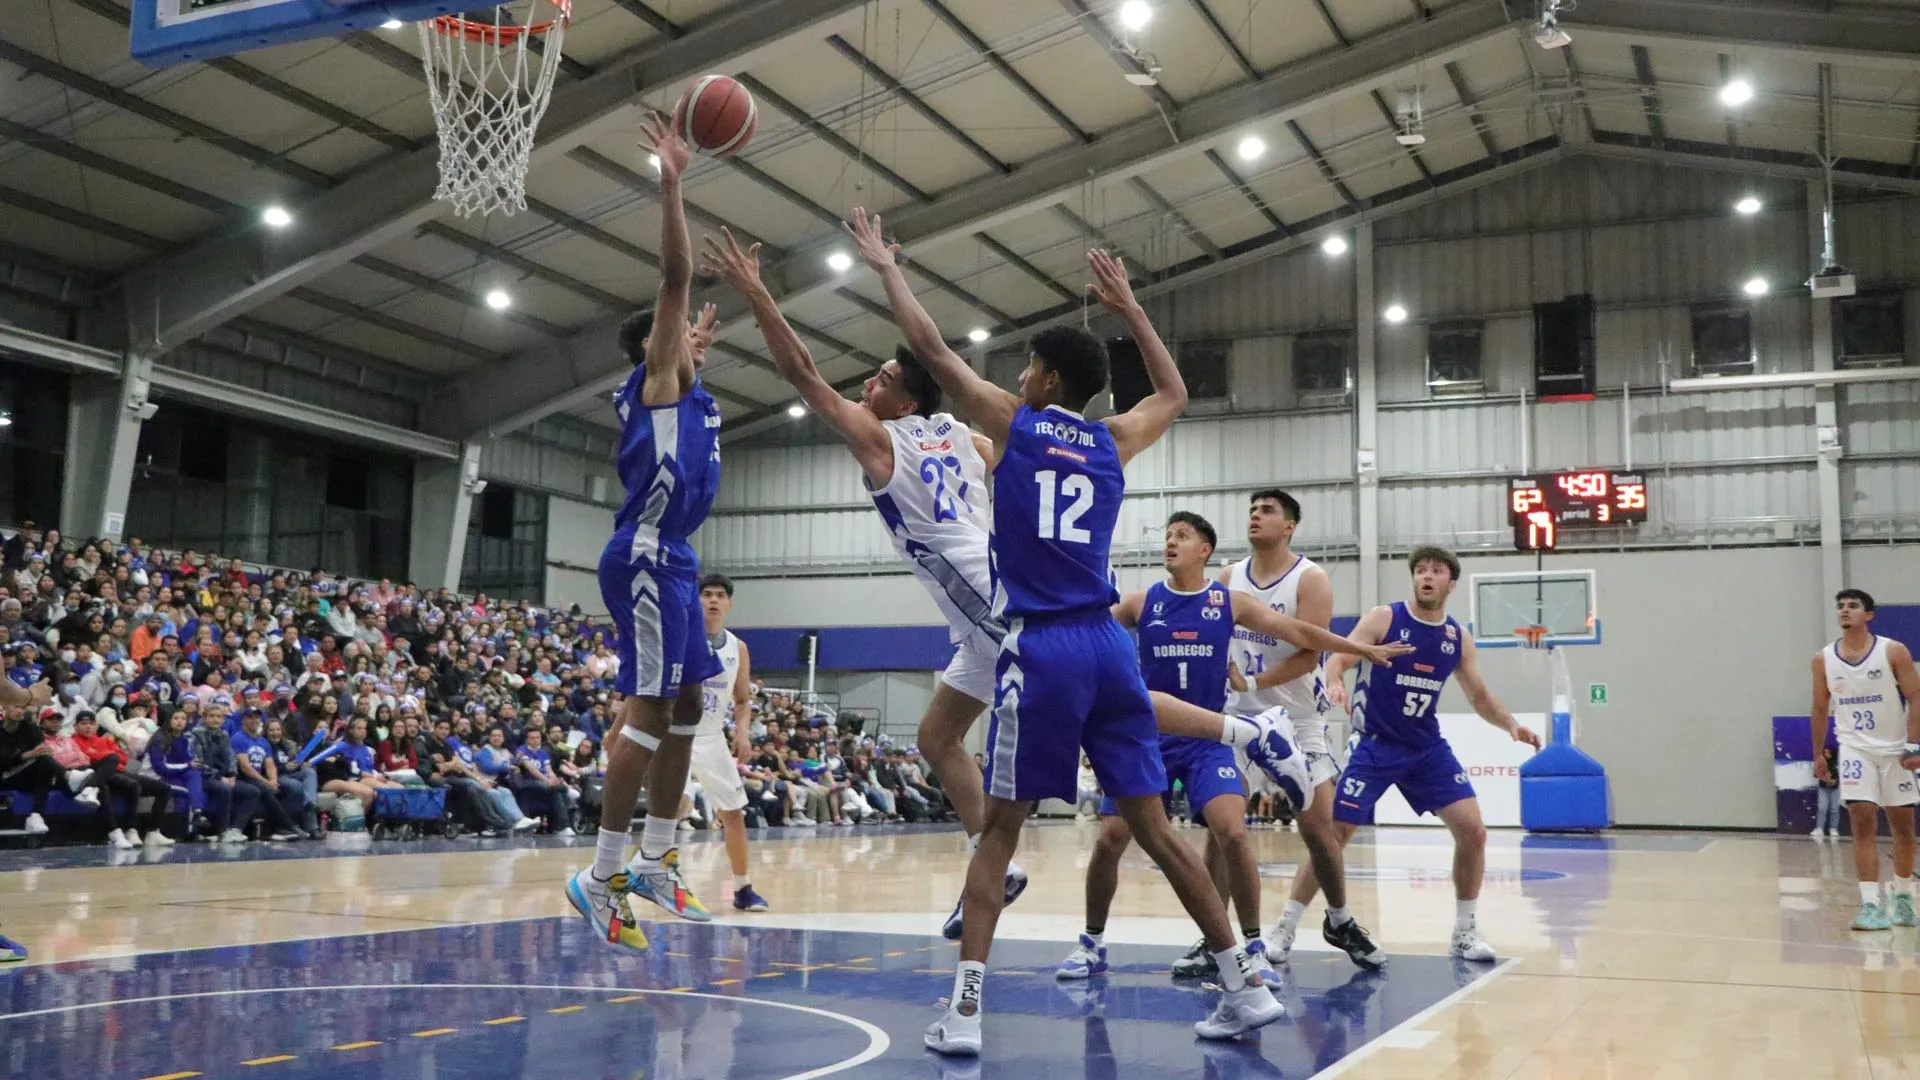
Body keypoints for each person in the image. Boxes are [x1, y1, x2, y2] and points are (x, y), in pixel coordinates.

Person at [853, 207, 1283, 1055]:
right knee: (1157, 829)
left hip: (1042, 645)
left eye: (1026, 367)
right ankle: (1244, 983)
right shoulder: (1111, 438)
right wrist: (1131, 311)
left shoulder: (1015, 424)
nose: (1016, 376)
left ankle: (966, 1013)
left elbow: (933, 352)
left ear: (1045, 380)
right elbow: (1175, 393)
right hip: (1108, 649)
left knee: (1001, 830)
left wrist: (885, 268)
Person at [703, 225, 1028, 935]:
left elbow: (801, 376)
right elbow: (1004, 449)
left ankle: (1228, 734)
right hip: (978, 587)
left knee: (1090, 705)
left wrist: (759, 294)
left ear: (905, 402)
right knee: (938, 738)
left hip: (978, 589)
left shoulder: (878, 437)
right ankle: (991, 859)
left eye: (881, 379)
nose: (868, 383)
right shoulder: (964, 438)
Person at [1058, 512, 1408, 984]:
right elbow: (1087, 628)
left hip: (1209, 738)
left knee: (1234, 833)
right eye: (1167, 536)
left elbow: (1300, 634)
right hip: (1148, 739)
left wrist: (1358, 649)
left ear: (1204, 550)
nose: (1170, 542)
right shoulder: (1142, 603)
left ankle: (1254, 946)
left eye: (1181, 536)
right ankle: (1092, 943)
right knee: (1109, 840)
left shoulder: (1228, 602)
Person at [568, 110, 726, 952]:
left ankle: (658, 859)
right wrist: (672, 183)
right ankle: (601, 876)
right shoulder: (658, 377)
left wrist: (696, 344)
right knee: (650, 706)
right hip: (645, 555)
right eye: (678, 331)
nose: (691, 331)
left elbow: (688, 333)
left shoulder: (691, 393)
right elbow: (674, 274)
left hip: (676, 556)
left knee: (691, 701)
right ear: (658, 345)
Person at [1301, 547, 1542, 962]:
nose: (1426, 577)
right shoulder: (1384, 618)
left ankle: (1464, 933)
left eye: (1436, 571)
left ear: (1451, 583)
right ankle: (1284, 929)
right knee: (1332, 837)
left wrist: (1511, 725)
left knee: (1473, 830)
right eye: (1420, 571)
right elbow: (1337, 658)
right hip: (1374, 743)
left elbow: (1479, 695)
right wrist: (1335, 681)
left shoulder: (1455, 638)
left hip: (1425, 748)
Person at [1225, 488, 1383, 971]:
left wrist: (1253, 678)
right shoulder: (1229, 576)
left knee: (1319, 831)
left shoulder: (1310, 579)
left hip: (1296, 722)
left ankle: (1338, 918)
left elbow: (1308, 655)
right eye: (1252, 510)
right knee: (1223, 829)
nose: (1256, 516)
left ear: (1290, 525)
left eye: (1267, 511)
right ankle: (1215, 937)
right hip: (1240, 720)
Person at [1810, 588, 1920, 930]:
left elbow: (1916, 697)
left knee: (1902, 827)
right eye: (1840, 606)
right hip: (1855, 748)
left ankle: (1902, 895)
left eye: (1853, 606)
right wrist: (1817, 754)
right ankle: (1871, 905)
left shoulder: (1892, 651)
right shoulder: (1823, 659)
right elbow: (1819, 707)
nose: (1845, 610)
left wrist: (1914, 745)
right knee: (1861, 819)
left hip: (1895, 749)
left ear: (1869, 615)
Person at [687, 574, 768, 912]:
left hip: (711, 737)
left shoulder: (739, 648)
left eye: (720, 595)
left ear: (730, 603)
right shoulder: (684, 637)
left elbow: (742, 700)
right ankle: (639, 877)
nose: (713, 600)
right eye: (707, 594)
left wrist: (742, 732)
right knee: (672, 807)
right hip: (676, 733)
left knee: (733, 812)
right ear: (697, 600)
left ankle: (742, 888)